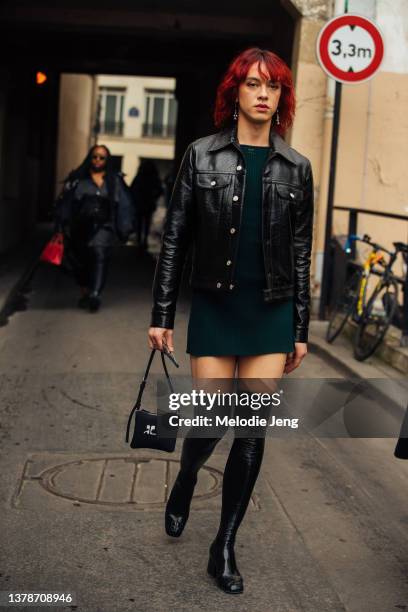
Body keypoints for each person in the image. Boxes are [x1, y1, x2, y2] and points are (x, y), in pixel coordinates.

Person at [148, 47, 314, 594]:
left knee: (251, 427)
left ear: (281, 98)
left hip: (270, 310)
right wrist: (162, 314)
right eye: (253, 84)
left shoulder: (296, 168)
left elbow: (300, 252)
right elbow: (175, 239)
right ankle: (188, 475)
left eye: (273, 87)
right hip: (217, 307)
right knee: (212, 420)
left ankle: (224, 544)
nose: (263, 94)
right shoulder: (201, 156)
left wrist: (299, 330)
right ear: (235, 93)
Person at [55, 144, 135, 312]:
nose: (98, 160)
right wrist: (61, 226)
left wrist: (125, 227)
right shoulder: (77, 179)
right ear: (90, 158)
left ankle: (95, 295)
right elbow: (66, 203)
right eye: (95, 156)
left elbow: (125, 205)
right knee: (81, 262)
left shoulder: (114, 180)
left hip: (104, 226)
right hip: (80, 228)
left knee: (100, 255)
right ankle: (85, 292)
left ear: (107, 160)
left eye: (102, 157)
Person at [130, 159, 163, 250]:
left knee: (140, 223)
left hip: (141, 203)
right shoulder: (154, 178)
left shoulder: (139, 177)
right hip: (148, 203)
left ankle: (140, 240)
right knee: (146, 223)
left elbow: (132, 189)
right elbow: (160, 190)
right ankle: (143, 241)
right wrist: (154, 196)